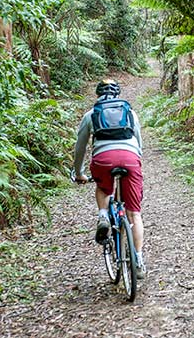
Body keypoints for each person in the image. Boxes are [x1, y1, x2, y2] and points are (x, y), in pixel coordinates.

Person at [73, 79, 146, 279]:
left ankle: (103, 216)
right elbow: (138, 142)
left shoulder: (91, 114)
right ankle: (138, 260)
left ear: (98, 94)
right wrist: (135, 162)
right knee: (134, 215)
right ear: (117, 93)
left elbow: (80, 147)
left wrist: (78, 172)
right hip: (130, 158)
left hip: (103, 159)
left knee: (104, 187)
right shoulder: (130, 113)